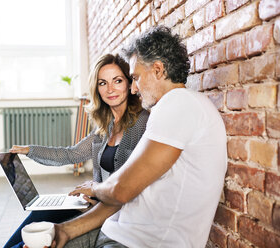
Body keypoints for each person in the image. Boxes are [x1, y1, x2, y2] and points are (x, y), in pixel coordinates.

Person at [48, 25, 227, 248]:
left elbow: (119, 190)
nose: (133, 88)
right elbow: (125, 191)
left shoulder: (179, 104)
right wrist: (67, 230)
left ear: (159, 70)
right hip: (116, 232)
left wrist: (95, 188)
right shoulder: (172, 109)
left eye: (135, 78)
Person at [4, 53, 149, 248]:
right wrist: (30, 150)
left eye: (118, 81)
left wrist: (98, 193)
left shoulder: (143, 123)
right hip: (94, 203)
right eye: (102, 83)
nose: (110, 89)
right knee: (39, 215)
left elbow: (136, 185)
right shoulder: (105, 128)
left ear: (130, 83)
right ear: (96, 88)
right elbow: (71, 154)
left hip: (111, 212)